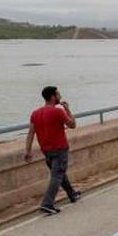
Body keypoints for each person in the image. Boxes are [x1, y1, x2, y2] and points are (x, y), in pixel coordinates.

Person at [25, 86, 80, 215]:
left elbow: (30, 133)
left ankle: (72, 194)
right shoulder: (58, 111)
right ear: (53, 97)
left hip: (46, 150)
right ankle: (47, 204)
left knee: (59, 173)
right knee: (57, 175)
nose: (60, 97)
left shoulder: (35, 113)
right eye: (58, 95)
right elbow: (72, 125)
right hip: (59, 149)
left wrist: (27, 150)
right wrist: (67, 109)